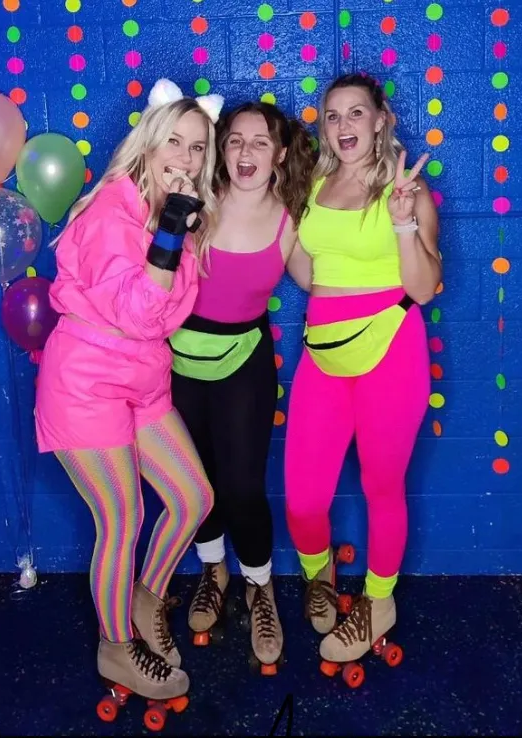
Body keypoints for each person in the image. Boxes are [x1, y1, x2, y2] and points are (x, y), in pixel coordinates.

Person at [34, 78, 225, 705]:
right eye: (174, 141)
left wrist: (178, 225)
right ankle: (115, 646)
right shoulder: (113, 209)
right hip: (87, 382)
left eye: (199, 147)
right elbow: (142, 311)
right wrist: (173, 226)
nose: (187, 157)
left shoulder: (176, 212)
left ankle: (143, 600)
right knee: (122, 517)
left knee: (193, 497)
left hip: (143, 378)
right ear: (147, 142)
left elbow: (163, 320)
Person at [284, 72, 441, 666]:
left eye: (356, 113)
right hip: (324, 354)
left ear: (381, 120)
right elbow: (309, 273)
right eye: (332, 115)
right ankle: (319, 577)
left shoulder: (410, 192)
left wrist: (402, 218)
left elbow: (424, 289)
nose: (344, 125)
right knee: (302, 499)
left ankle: (379, 603)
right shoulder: (316, 185)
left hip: (391, 352)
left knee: (381, 487)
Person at [168, 101, 315, 672]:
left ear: (279, 154)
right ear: (221, 149)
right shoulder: (191, 203)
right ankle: (213, 570)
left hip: (243, 360)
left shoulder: (291, 220)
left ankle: (259, 587)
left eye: (260, 142)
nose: (246, 152)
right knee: (196, 483)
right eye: (235, 141)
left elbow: (326, 285)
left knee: (241, 486)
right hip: (176, 359)